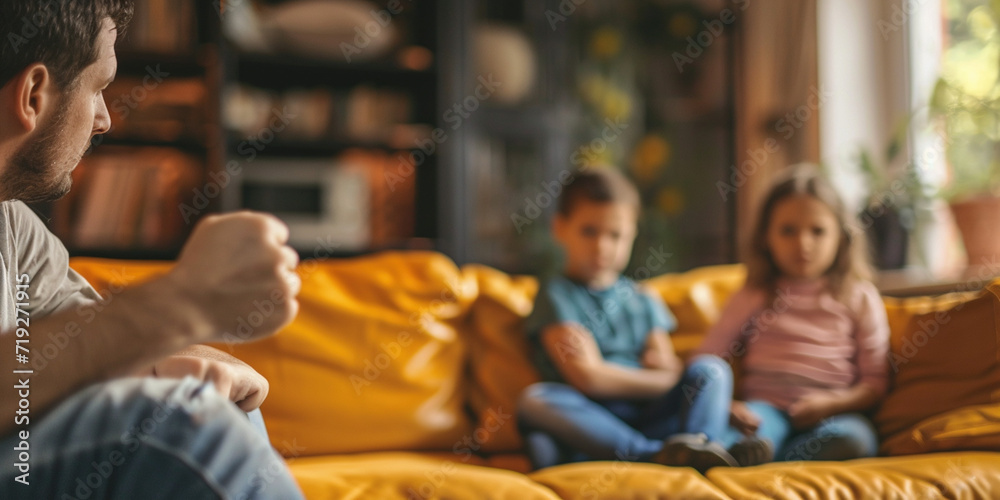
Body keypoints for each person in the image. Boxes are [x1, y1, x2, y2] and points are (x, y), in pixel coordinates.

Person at [0, 1, 305, 498]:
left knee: (206, 403)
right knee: (186, 437)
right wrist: (185, 302)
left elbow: (78, 347)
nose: (104, 120)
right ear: (34, 94)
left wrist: (180, 360)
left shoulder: (10, 222)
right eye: (98, 87)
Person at [516, 168, 769, 472]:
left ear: (632, 235)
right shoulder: (556, 295)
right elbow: (587, 379)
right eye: (589, 231)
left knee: (712, 370)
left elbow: (670, 375)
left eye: (615, 235)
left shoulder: (644, 300)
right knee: (536, 401)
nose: (602, 247)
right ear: (560, 228)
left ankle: (699, 445)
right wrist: (650, 378)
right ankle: (664, 455)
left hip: (653, 418)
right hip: (593, 420)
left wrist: (606, 370)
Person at [696, 164, 890, 463]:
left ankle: (774, 457)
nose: (803, 244)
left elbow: (874, 383)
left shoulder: (859, 296)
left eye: (818, 231)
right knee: (742, 438)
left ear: (842, 236)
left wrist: (832, 403)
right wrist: (727, 405)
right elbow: (707, 361)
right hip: (764, 411)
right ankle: (761, 451)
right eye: (788, 231)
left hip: (835, 413)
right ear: (765, 237)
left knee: (855, 439)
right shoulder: (754, 294)